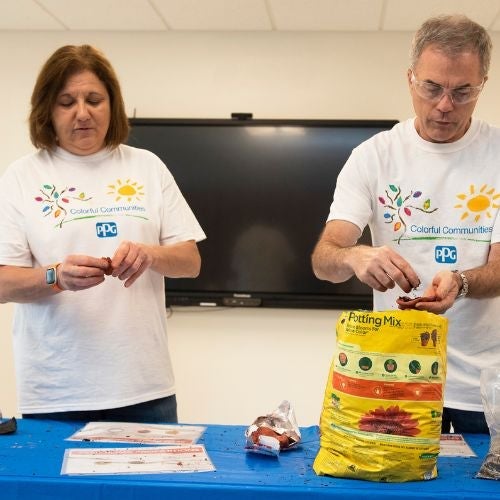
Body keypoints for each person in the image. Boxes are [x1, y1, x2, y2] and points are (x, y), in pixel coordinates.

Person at [311, 14, 500, 434]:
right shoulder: (373, 157)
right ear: (410, 78)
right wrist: (356, 256)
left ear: (482, 84)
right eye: (432, 87)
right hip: (396, 378)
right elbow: (326, 259)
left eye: (463, 91)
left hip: (484, 390)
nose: (445, 105)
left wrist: (462, 282)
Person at [0, 45, 206, 423]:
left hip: (145, 389)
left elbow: (190, 261)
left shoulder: (147, 167)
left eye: (94, 99)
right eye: (67, 102)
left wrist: (150, 254)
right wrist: (56, 276)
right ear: (47, 109)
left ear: (112, 104)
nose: (83, 112)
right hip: (56, 392)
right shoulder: (21, 176)